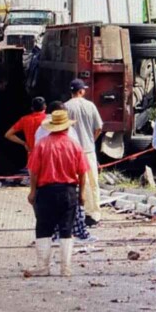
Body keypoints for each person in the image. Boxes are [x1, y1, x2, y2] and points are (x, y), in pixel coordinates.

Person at [24, 110, 89, 277]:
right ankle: (65, 268)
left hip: (45, 192)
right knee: (66, 229)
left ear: (52, 127)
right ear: (67, 128)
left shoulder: (42, 145)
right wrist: (82, 194)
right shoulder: (75, 145)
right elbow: (82, 173)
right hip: (68, 192)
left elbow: (34, 172)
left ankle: (43, 267)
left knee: (43, 228)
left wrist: (32, 192)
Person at [65, 79, 103, 225]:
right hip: (88, 150)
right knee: (92, 182)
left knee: (75, 183)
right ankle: (94, 214)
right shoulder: (90, 106)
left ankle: (77, 214)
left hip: (72, 151)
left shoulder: (66, 107)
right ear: (81, 91)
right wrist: (92, 139)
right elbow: (99, 127)